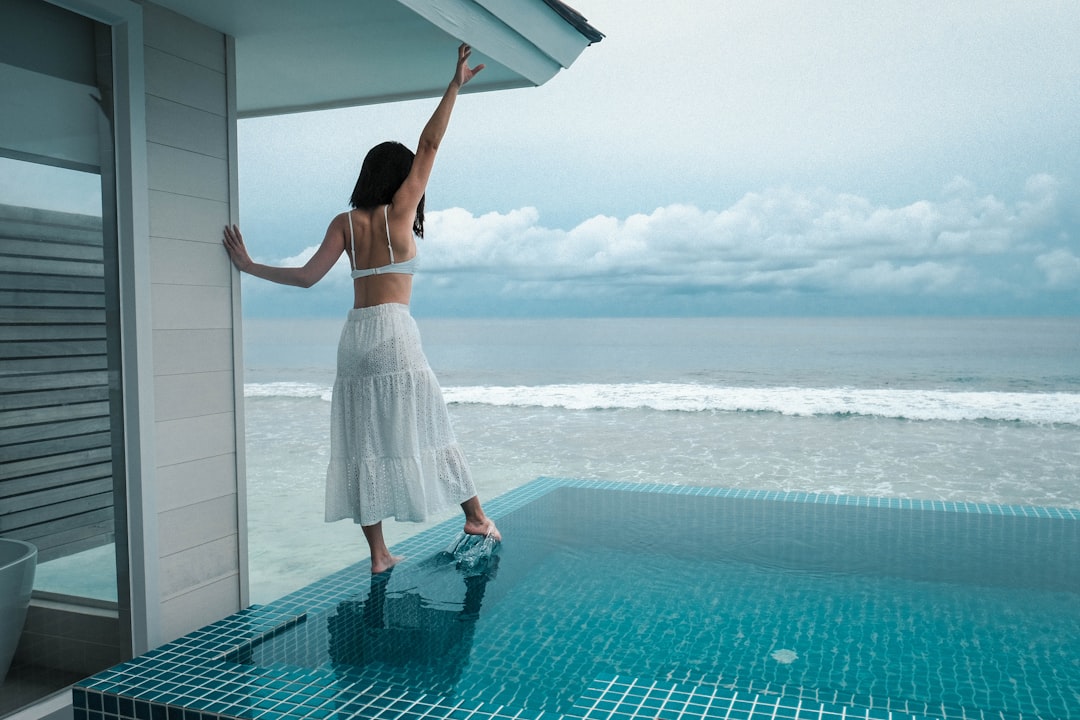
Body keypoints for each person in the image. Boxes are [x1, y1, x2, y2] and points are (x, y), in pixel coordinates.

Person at [223, 43, 500, 574]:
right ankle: (474, 516)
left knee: (362, 438)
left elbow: (306, 277)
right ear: (398, 178)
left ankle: (378, 554)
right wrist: (455, 86)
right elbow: (430, 142)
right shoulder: (401, 212)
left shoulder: (345, 222)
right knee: (431, 423)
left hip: (355, 338)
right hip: (396, 333)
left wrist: (251, 266)